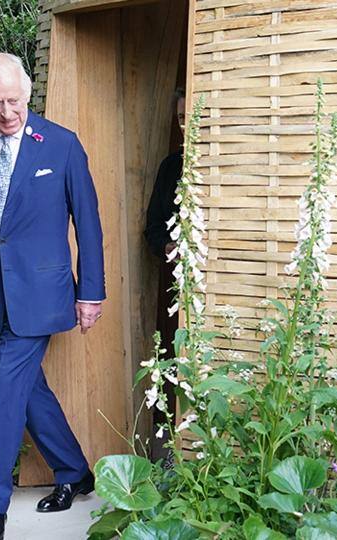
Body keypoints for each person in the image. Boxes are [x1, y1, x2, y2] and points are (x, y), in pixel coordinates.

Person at [0, 52, 106, 540]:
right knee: (29, 389)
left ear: (27, 94)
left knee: (7, 392)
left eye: (14, 102)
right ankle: (75, 471)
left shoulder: (62, 146)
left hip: (41, 295)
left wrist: (90, 292)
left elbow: (87, 226)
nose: (7, 114)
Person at [143, 89, 185, 466]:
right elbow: (153, 228)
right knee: (175, 358)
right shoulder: (171, 167)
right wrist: (167, 247)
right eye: (182, 119)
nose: (188, 126)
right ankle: (174, 453)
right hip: (179, 283)